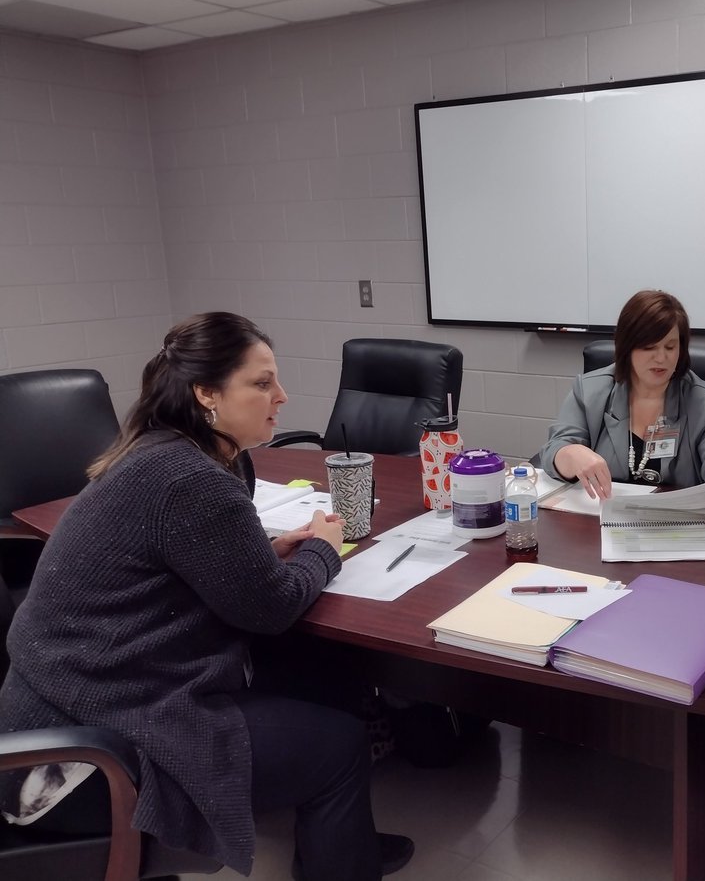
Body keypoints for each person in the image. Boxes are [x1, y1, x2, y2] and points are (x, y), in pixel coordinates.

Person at [0, 313, 413, 881]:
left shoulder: (178, 454)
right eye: (262, 383)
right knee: (339, 745)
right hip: (77, 760)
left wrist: (268, 545)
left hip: (84, 698)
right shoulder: (190, 478)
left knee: (319, 670)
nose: (282, 397)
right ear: (206, 393)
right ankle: (339, 857)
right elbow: (271, 609)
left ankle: (341, 841)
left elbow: (181, 554)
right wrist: (325, 547)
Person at [539, 290, 705, 526]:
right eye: (650, 347)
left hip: (676, 528)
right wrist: (571, 454)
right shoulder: (589, 391)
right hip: (599, 528)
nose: (661, 358)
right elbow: (554, 450)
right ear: (627, 347)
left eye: (670, 347)